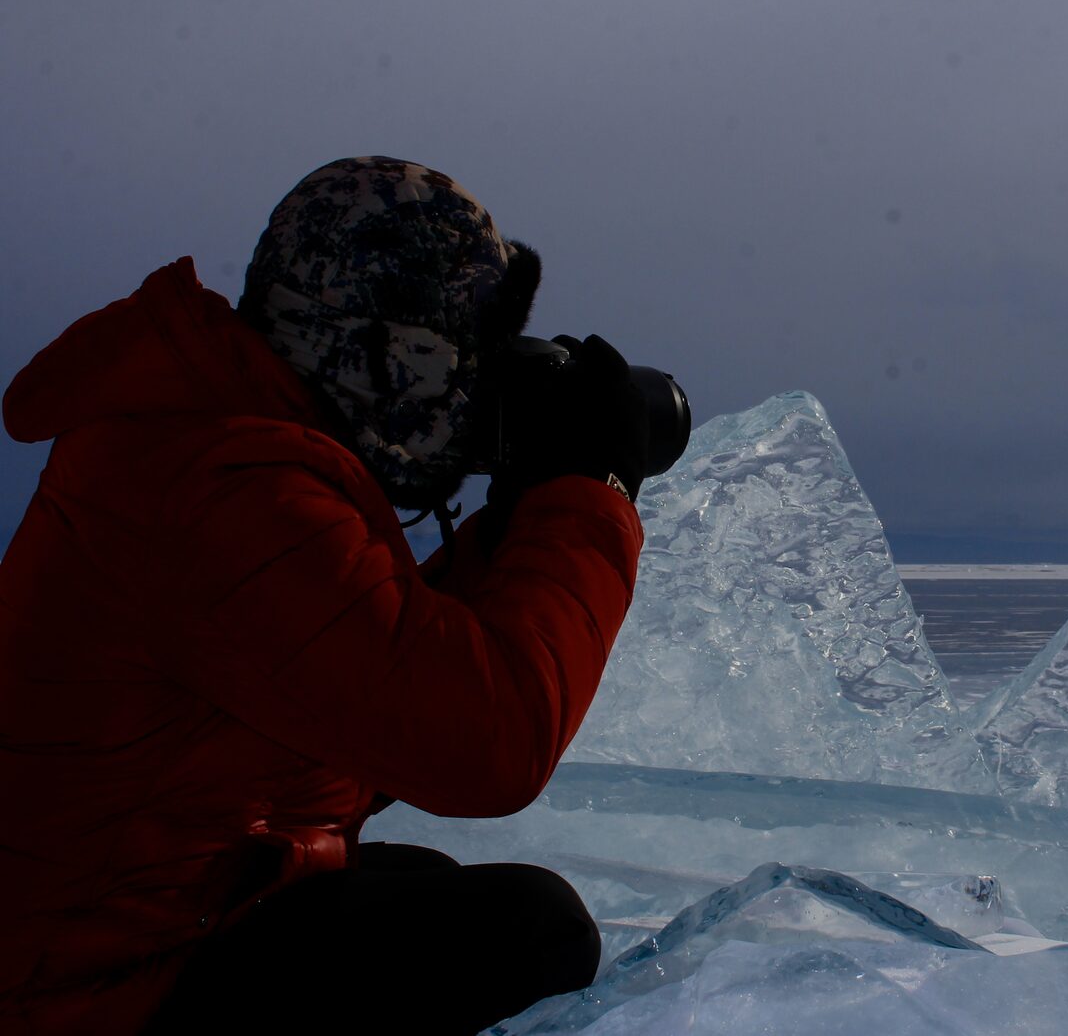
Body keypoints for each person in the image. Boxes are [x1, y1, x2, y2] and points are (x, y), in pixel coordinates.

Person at [0, 157, 651, 1035]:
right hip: (79, 989)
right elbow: (490, 744)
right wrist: (588, 488)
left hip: (121, 920)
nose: (473, 389)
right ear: (387, 353)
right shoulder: (228, 486)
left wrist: (507, 527)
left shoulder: (215, 437)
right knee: (528, 929)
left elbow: (355, 677)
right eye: (462, 353)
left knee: (407, 881)